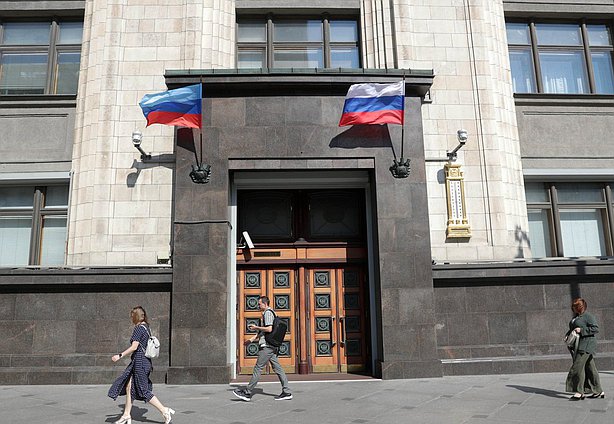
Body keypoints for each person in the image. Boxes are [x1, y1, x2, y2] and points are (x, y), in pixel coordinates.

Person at [108, 306, 175, 423]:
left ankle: (164, 410)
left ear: (135, 316)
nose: (131, 318)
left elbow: (134, 347)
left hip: (140, 362)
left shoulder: (139, 328)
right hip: (142, 361)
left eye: (132, 316)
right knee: (129, 387)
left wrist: (120, 355)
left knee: (143, 391)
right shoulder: (146, 327)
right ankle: (126, 415)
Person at [233, 295, 292, 401]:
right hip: (271, 346)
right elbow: (263, 331)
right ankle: (286, 392)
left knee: (258, 368)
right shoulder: (268, 313)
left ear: (265, 304)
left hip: (267, 346)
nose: (258, 305)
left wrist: (256, 327)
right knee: (278, 369)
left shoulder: (268, 313)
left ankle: (247, 392)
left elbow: (269, 329)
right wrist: (251, 340)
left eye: (259, 303)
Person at [565, 298, 605, 400]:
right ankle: (598, 391)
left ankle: (579, 392)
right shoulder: (577, 317)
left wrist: (581, 330)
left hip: (586, 345)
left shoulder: (588, 316)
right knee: (591, 368)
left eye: (575, 306)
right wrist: (567, 335)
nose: (573, 308)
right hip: (580, 345)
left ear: (580, 307)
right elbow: (572, 329)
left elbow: (596, 329)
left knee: (577, 367)